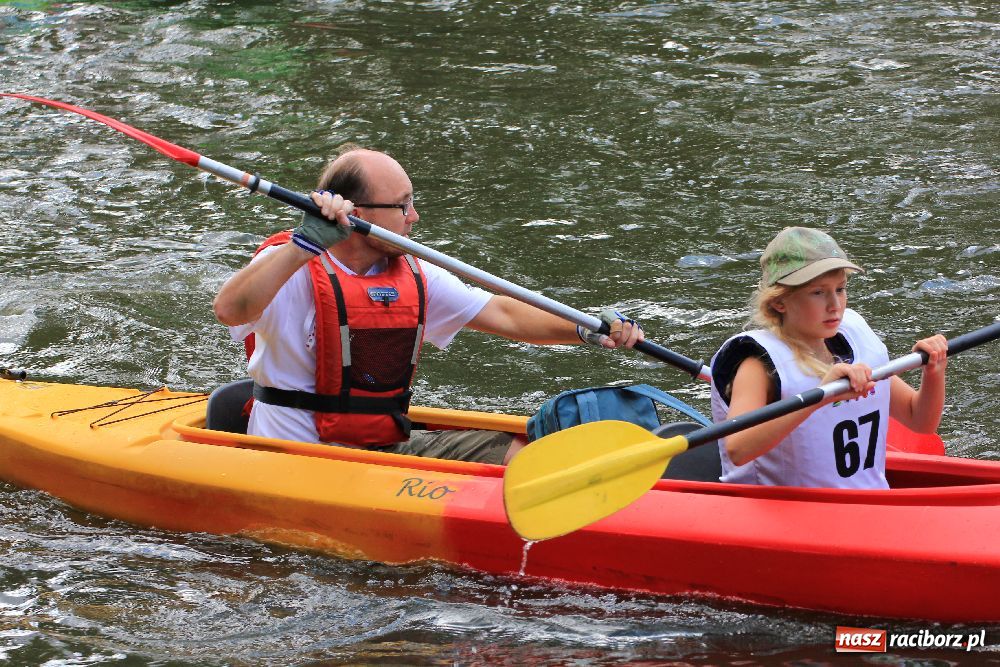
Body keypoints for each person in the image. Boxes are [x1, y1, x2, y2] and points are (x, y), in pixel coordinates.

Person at [213, 145, 643, 465]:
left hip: (382, 448)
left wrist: (586, 328)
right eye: (402, 205)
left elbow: (503, 313)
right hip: (298, 457)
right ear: (359, 214)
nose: (414, 217)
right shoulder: (290, 263)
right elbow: (230, 310)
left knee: (522, 455)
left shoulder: (413, 273)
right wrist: (302, 246)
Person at [709, 227, 947, 488]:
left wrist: (933, 371)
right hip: (787, 515)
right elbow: (737, 448)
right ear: (780, 302)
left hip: (869, 506)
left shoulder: (856, 343)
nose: (835, 305)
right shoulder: (758, 364)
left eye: (840, 289)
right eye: (818, 292)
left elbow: (919, 419)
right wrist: (821, 396)